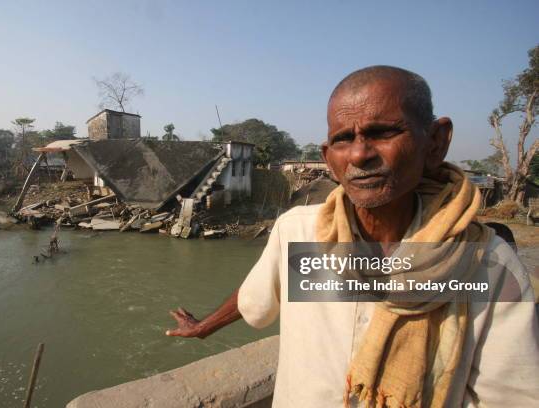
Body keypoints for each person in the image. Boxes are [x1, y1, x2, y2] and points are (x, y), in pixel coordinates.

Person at [166, 66, 539, 407]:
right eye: (344, 139)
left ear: (435, 143)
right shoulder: (300, 233)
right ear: (329, 159)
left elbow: (509, 397)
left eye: (383, 132)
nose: (359, 154)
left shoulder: (485, 265)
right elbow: (257, 298)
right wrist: (204, 327)